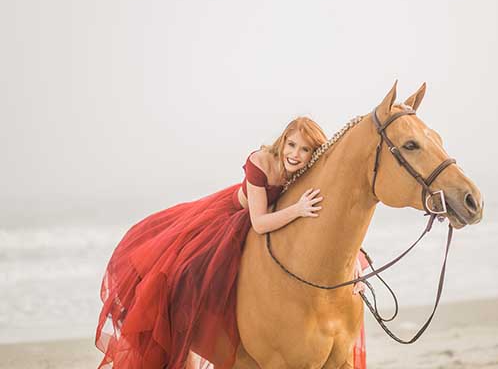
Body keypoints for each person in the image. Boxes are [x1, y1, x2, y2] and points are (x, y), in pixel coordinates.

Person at [95, 117, 366, 369]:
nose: (295, 154)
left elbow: (330, 226)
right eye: (291, 145)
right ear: (282, 141)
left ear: (312, 154)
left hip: (278, 216)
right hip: (234, 216)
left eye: (304, 149)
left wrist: (353, 258)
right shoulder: (261, 161)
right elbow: (259, 222)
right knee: (193, 270)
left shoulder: (309, 170)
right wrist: (298, 210)